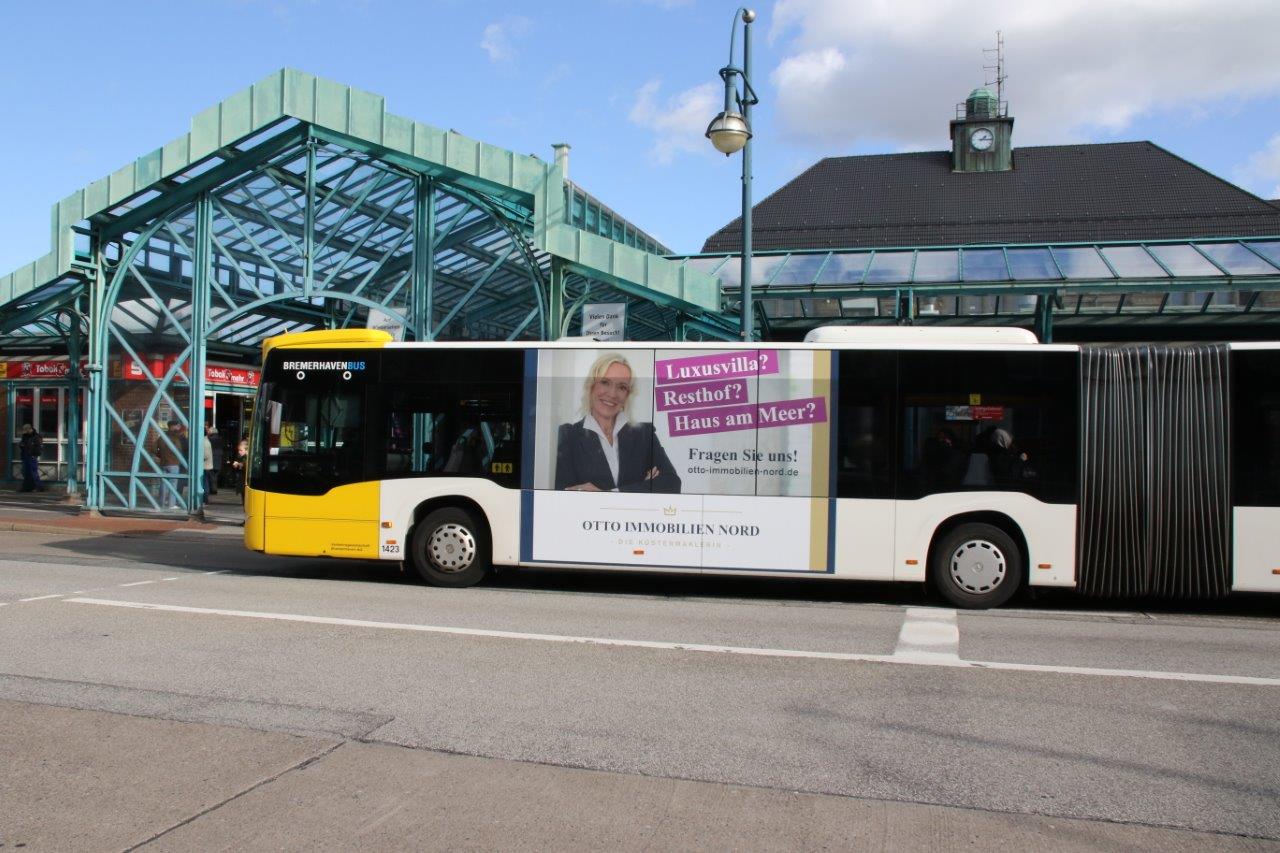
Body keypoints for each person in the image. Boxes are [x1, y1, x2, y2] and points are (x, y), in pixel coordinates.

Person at [554, 353, 680, 494]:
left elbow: (672, 484)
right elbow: (565, 495)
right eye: (605, 382)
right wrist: (643, 488)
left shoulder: (644, 434)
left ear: (627, 395)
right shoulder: (568, 436)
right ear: (591, 385)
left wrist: (608, 494)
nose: (612, 394)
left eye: (622, 387)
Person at [154, 420, 187, 509]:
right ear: (173, 426)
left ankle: (161, 503)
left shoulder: (161, 437)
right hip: (174, 463)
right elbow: (179, 450)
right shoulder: (176, 437)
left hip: (164, 463)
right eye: (177, 426)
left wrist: (161, 456)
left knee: (163, 483)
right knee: (173, 483)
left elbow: (153, 449)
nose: (179, 428)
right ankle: (171, 504)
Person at [18, 423, 44, 493]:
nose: (25, 433)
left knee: (33, 472)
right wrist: (21, 445)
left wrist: (33, 453)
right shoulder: (25, 436)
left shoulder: (36, 436)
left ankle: (38, 486)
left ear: (30, 429)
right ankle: (27, 487)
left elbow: (39, 447)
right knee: (25, 472)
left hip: (32, 456)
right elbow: (22, 444)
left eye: (26, 431)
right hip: (25, 455)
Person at [206, 425, 224, 494]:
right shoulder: (220, 439)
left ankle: (213, 490)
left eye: (209, 431)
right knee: (214, 476)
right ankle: (214, 489)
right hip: (218, 460)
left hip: (211, 460)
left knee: (211, 476)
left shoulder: (210, 439)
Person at [200, 427, 215, 506]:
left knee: (204, 484)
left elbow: (205, 455)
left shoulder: (203, 441)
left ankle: (204, 500)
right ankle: (205, 499)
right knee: (205, 483)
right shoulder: (205, 440)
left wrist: (198, 459)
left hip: (204, 466)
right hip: (206, 466)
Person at [231, 434, 249, 499]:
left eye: (241, 450)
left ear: (246, 450)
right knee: (243, 497)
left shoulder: (248, 457)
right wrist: (236, 466)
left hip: (246, 483)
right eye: (238, 450)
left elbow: (247, 465)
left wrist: (239, 464)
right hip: (242, 482)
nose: (239, 452)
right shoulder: (241, 457)